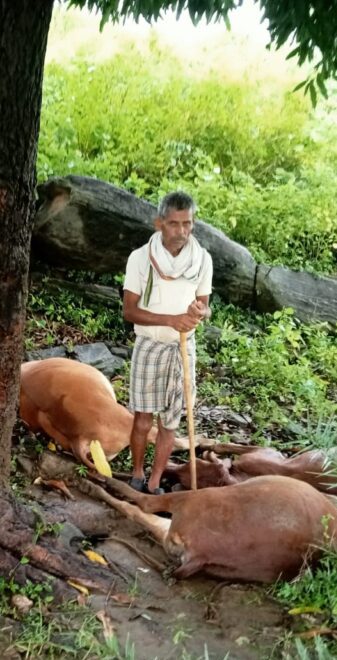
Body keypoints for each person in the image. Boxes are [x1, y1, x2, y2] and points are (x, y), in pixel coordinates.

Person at [123, 191, 212, 495]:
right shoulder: (140, 258)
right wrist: (171, 320)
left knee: (170, 422)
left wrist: (199, 312)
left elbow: (205, 305)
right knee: (142, 418)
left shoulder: (202, 259)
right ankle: (137, 473)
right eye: (174, 224)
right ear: (159, 223)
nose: (181, 231)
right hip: (149, 345)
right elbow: (129, 311)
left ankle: (154, 481)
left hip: (183, 348)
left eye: (187, 224)